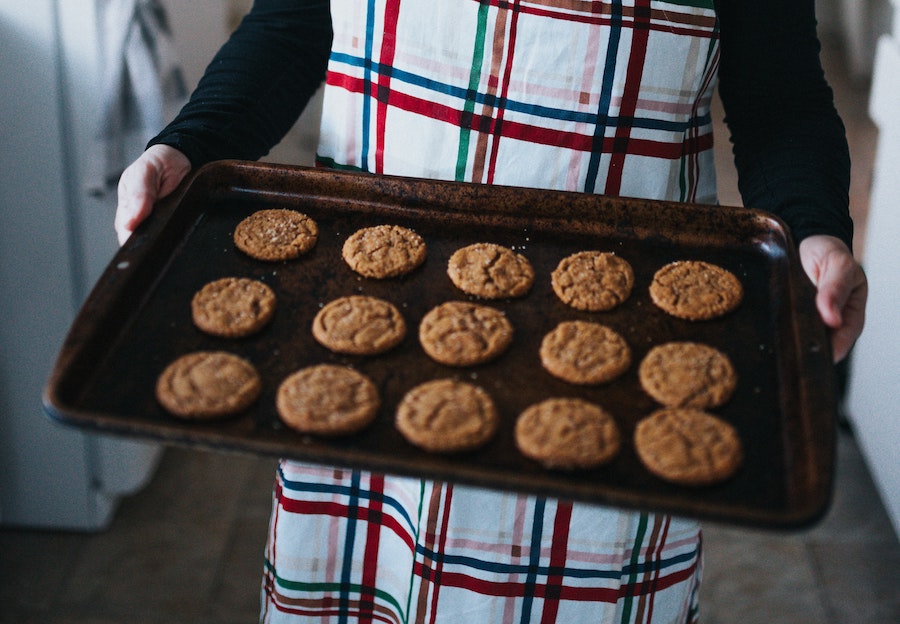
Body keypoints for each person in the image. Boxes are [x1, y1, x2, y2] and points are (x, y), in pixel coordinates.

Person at [115, 1, 868, 622]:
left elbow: (782, 96)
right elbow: (292, 23)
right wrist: (192, 143)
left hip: (606, 379)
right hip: (370, 348)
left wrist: (815, 227)